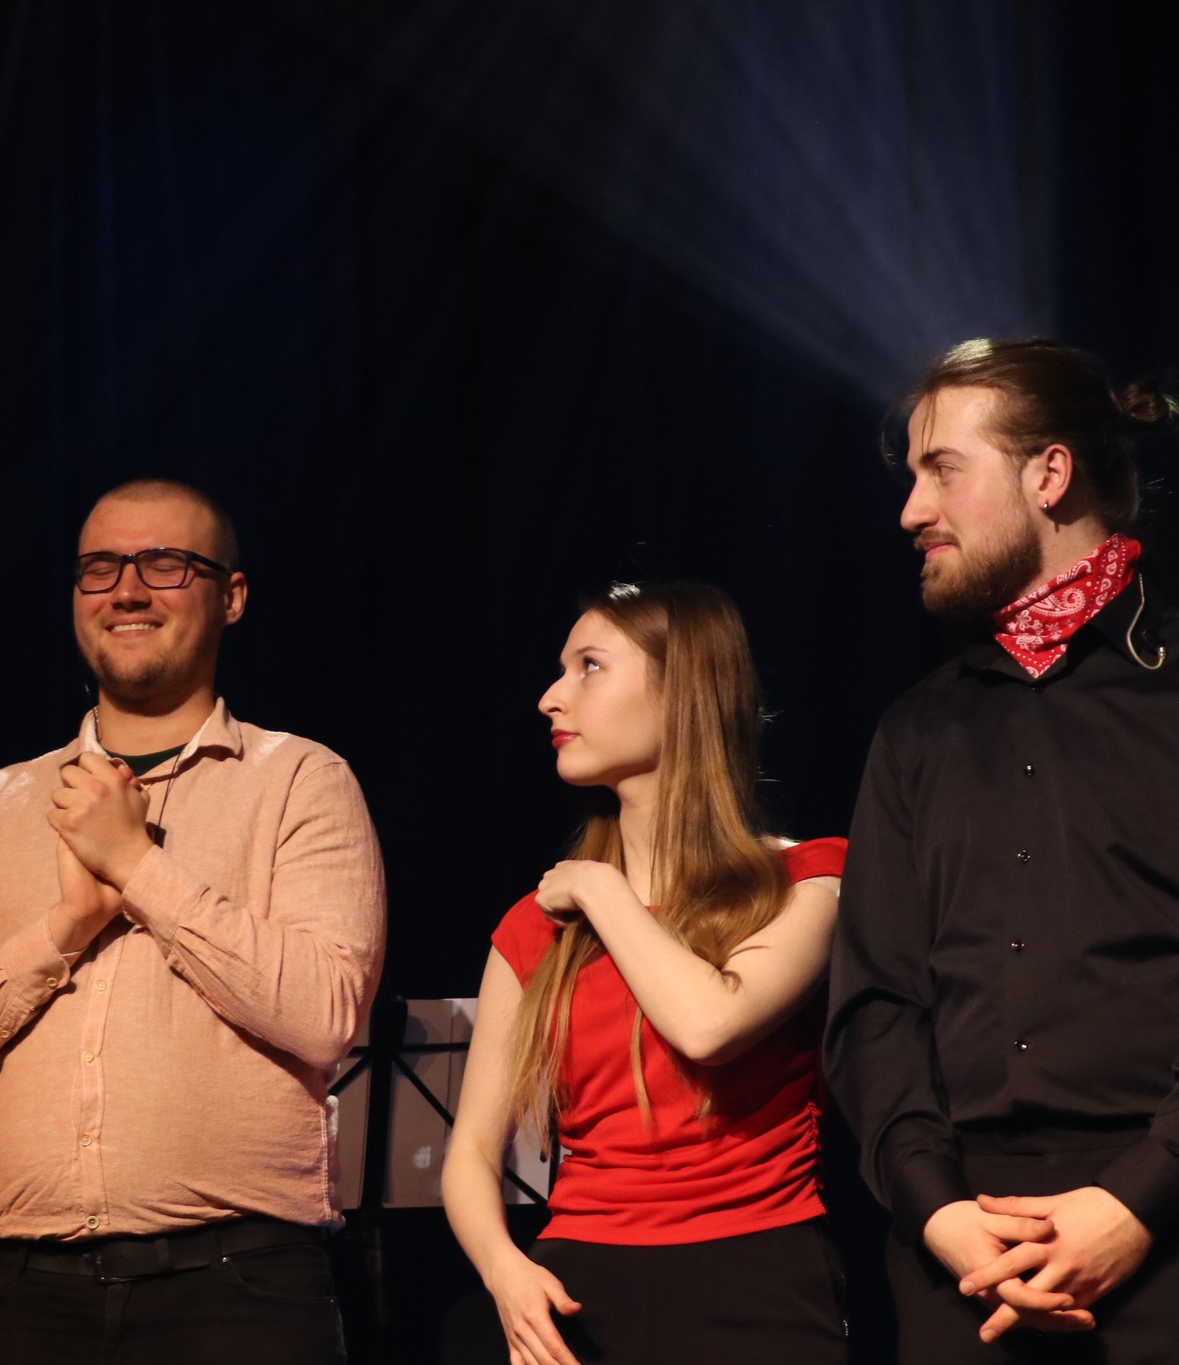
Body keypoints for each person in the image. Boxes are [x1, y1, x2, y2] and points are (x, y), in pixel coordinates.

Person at [0, 479, 386, 1365]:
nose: (128, 590)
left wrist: (139, 868)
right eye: (100, 567)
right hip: (22, 1293)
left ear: (231, 596)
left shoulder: (301, 780)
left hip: (239, 1287)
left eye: (165, 564)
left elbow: (323, 1012)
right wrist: (65, 928)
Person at [825, 338, 1179, 1362]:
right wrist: (939, 1213)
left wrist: (1139, 1197)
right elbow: (874, 1004)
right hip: (963, 1265)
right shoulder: (916, 729)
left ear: (1048, 474)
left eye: (942, 469)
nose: (910, 511)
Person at [441, 583, 848, 1365]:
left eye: (589, 666)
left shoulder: (806, 880)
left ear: (683, 690)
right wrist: (504, 1271)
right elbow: (472, 1154)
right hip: (579, 1292)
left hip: (758, 1284)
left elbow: (709, 1023)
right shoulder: (535, 926)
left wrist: (602, 888)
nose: (551, 696)